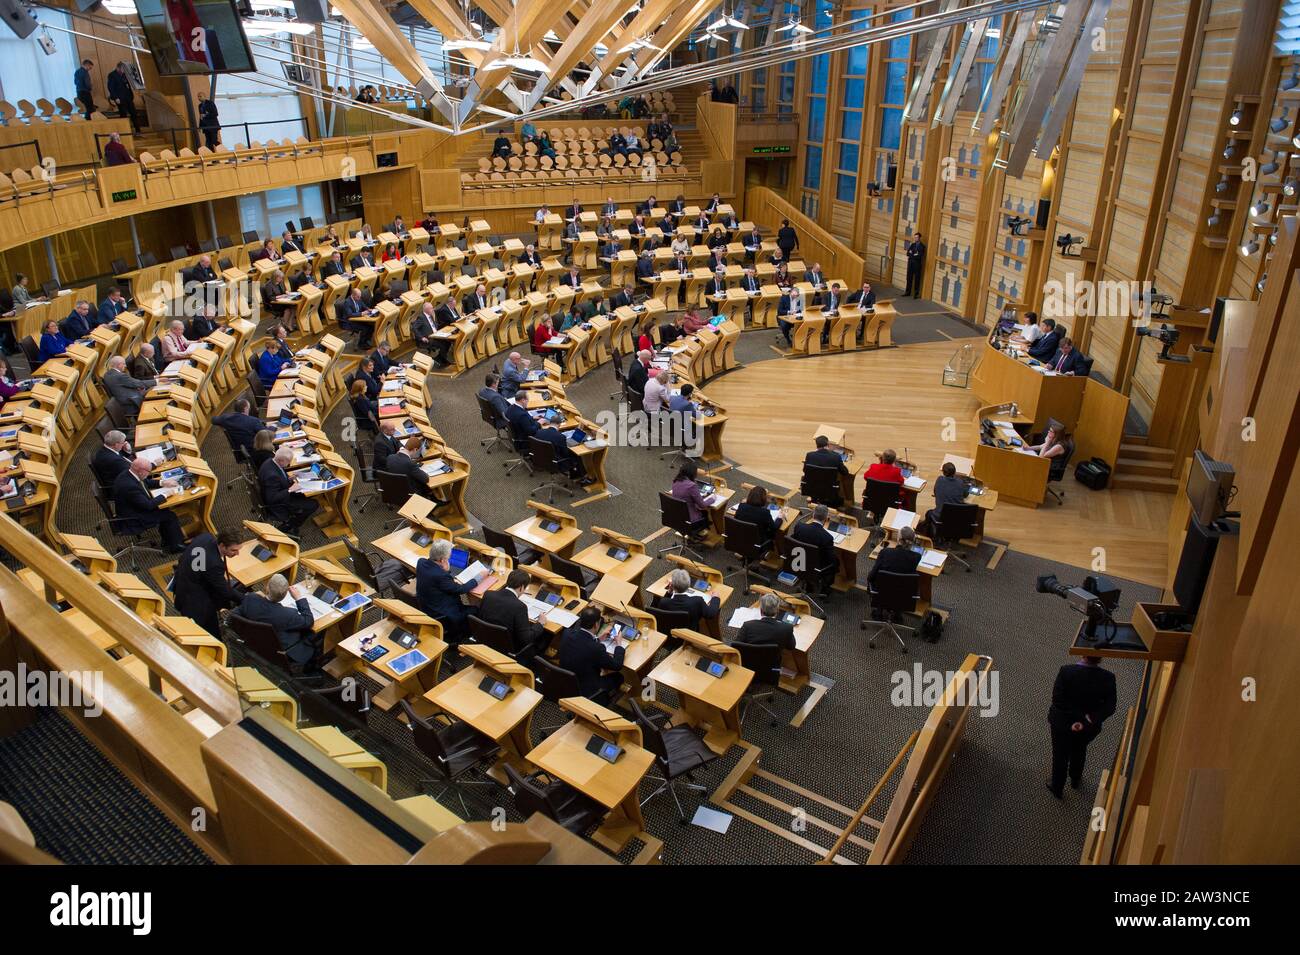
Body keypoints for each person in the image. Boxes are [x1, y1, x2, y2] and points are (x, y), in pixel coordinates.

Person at [1046, 656, 1117, 798]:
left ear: (1083, 655)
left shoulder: (1066, 671)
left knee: (1060, 755)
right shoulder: (1108, 678)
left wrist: (1076, 719)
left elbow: (1058, 700)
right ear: (1100, 658)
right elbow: (1110, 706)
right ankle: (1075, 778)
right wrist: (1089, 719)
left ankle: (1057, 787)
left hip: (1063, 723)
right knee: (1080, 749)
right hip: (1088, 727)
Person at [239, 574, 321, 674]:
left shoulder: (250, 599)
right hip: (282, 651)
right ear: (286, 594)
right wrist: (299, 598)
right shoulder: (288, 615)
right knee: (315, 634)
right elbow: (309, 621)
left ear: (267, 588)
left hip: (253, 642)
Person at [504, 393, 590, 483]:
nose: (528, 403)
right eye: (527, 400)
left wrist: (532, 418)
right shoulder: (523, 416)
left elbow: (521, 421)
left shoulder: (511, 409)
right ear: (523, 400)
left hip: (525, 444)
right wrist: (539, 422)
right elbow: (530, 431)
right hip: (525, 442)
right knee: (575, 453)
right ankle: (582, 478)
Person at [173, 528, 243, 636]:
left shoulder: (206, 537)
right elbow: (225, 590)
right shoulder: (214, 564)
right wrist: (245, 598)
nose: (237, 553)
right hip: (194, 601)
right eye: (234, 550)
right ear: (222, 545)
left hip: (183, 582)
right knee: (209, 633)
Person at [112, 457, 185, 552]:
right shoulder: (130, 487)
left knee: (165, 511)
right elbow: (148, 505)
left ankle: (168, 541)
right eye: (148, 472)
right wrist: (165, 494)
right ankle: (176, 546)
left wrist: (162, 483)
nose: (149, 474)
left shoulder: (130, 473)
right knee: (169, 515)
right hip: (134, 517)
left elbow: (145, 482)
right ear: (141, 471)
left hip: (131, 508)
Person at [476, 568, 548, 660]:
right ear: (521, 587)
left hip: (486, 640)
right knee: (545, 636)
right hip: (508, 649)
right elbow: (526, 639)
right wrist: (540, 623)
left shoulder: (488, 594)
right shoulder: (520, 607)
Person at [416, 539, 477, 644]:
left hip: (427, 607)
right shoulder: (440, 575)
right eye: (448, 558)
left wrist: (445, 571)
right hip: (444, 613)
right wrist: (477, 579)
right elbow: (460, 590)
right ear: (442, 560)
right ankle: (466, 635)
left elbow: (438, 577)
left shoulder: (421, 562)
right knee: (476, 610)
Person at [557, 606, 624, 703]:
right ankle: (603, 701)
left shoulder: (567, 633)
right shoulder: (596, 648)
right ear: (596, 625)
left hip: (567, 681)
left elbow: (581, 645)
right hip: (586, 688)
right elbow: (617, 665)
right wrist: (619, 645)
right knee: (619, 677)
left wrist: (598, 639)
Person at [258, 447, 319, 533]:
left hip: (282, 490)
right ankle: (290, 524)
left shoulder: (271, 462)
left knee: (309, 492)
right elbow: (272, 498)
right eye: (288, 461)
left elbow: (278, 480)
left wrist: (290, 479)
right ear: (281, 461)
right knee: (314, 504)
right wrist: (290, 490)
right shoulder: (271, 475)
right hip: (280, 503)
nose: (290, 463)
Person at [652, 568, 720, 631]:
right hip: (688, 636)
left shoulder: (663, 602)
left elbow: (663, 605)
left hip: (669, 633)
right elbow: (711, 614)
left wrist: (669, 592)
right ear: (688, 585)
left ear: (672, 585)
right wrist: (716, 598)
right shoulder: (697, 601)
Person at [789, 504, 836, 594]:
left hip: (797, 562)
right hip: (815, 568)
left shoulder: (799, 527)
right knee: (836, 561)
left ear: (813, 515)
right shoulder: (827, 537)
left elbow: (792, 541)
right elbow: (831, 559)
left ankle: (807, 580)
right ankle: (825, 587)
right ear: (826, 519)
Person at [868, 525, 921, 591]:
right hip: (904, 594)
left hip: (882, 593)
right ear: (913, 541)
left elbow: (871, 577)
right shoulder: (917, 557)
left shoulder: (885, 552)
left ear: (898, 539)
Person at [803, 434, 849, 506]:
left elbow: (805, 470)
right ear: (827, 444)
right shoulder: (836, 457)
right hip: (829, 489)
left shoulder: (810, 455)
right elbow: (845, 472)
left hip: (812, 487)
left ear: (817, 445)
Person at [670, 460, 713, 538]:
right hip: (691, 520)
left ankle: (693, 532)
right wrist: (712, 499)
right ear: (692, 473)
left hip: (678, 517)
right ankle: (699, 532)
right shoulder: (691, 485)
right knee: (705, 513)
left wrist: (699, 497)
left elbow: (685, 496)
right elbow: (702, 505)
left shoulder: (675, 481)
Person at [924, 461, 967, 538]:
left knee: (929, 513)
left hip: (939, 516)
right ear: (955, 473)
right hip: (956, 517)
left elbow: (935, 492)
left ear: (943, 473)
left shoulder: (939, 480)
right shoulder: (960, 482)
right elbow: (965, 494)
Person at [91, 429, 134, 493]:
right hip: (120, 488)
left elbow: (120, 455)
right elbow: (133, 472)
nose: (124, 444)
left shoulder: (105, 449)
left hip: (118, 478)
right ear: (116, 444)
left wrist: (127, 450)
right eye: (123, 442)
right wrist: (152, 465)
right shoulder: (114, 460)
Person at [107, 62, 138, 131]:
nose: (124, 70)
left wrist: (131, 95)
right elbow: (110, 87)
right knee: (123, 114)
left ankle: (138, 131)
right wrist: (115, 98)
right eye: (123, 69)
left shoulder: (125, 75)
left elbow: (127, 85)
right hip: (119, 98)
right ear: (118, 68)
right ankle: (125, 131)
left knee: (134, 113)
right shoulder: (112, 75)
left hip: (128, 97)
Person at [904, 232, 926, 299]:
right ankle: (907, 292)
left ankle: (916, 294)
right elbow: (908, 253)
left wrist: (912, 254)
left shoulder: (922, 246)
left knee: (917, 279)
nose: (915, 238)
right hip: (910, 264)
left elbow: (920, 256)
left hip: (917, 265)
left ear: (919, 238)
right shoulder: (912, 245)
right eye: (915, 237)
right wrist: (914, 254)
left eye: (917, 237)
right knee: (909, 278)